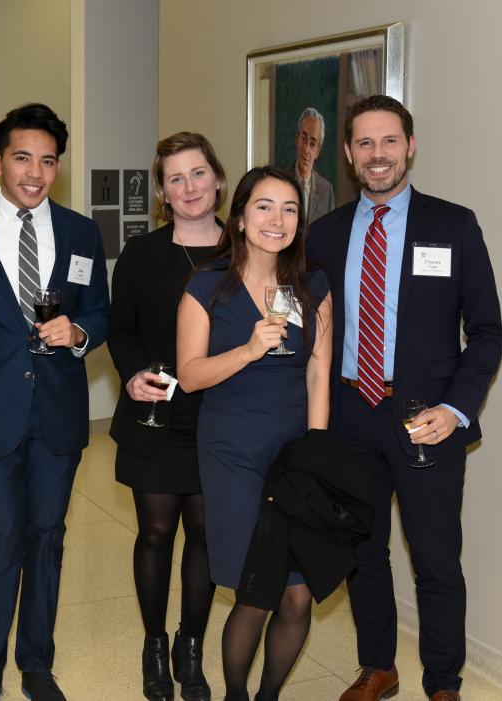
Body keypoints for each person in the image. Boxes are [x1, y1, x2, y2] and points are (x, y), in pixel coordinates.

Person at [307, 95, 502, 701]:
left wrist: (456, 409)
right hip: (349, 414)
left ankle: (444, 683)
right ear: (347, 154)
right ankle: (379, 668)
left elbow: (488, 331)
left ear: (409, 146)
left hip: (428, 422)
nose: (377, 155)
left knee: (437, 561)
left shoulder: (454, 225)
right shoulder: (324, 233)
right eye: (364, 143)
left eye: (389, 141)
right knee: (364, 552)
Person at [0, 103, 109, 701]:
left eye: (48, 161)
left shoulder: (80, 232)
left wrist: (78, 333)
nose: (36, 172)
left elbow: (99, 309)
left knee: (47, 535)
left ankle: (37, 664)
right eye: (23, 157)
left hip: (58, 411)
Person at [177, 166, 332, 701]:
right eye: (264, 206)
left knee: (297, 594)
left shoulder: (314, 283)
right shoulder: (207, 285)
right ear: (240, 217)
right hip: (233, 450)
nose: (277, 219)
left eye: (289, 209)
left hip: (294, 452)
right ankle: (236, 696)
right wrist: (247, 349)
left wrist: (316, 451)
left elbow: (318, 372)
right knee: (255, 590)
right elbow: (191, 374)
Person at [108, 132, 225, 701]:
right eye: (175, 178)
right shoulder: (142, 254)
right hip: (155, 416)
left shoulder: (248, 250)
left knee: (205, 535)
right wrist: (130, 374)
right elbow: (120, 327)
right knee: (156, 533)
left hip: (221, 422)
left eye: (198, 173)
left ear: (218, 178)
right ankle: (155, 644)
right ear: (162, 191)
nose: (189, 187)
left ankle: (192, 646)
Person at [293, 108, 335, 223]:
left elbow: (329, 234)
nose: (306, 150)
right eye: (304, 139)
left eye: (312, 144)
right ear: (297, 139)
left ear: (318, 151)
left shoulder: (326, 191)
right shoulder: (281, 183)